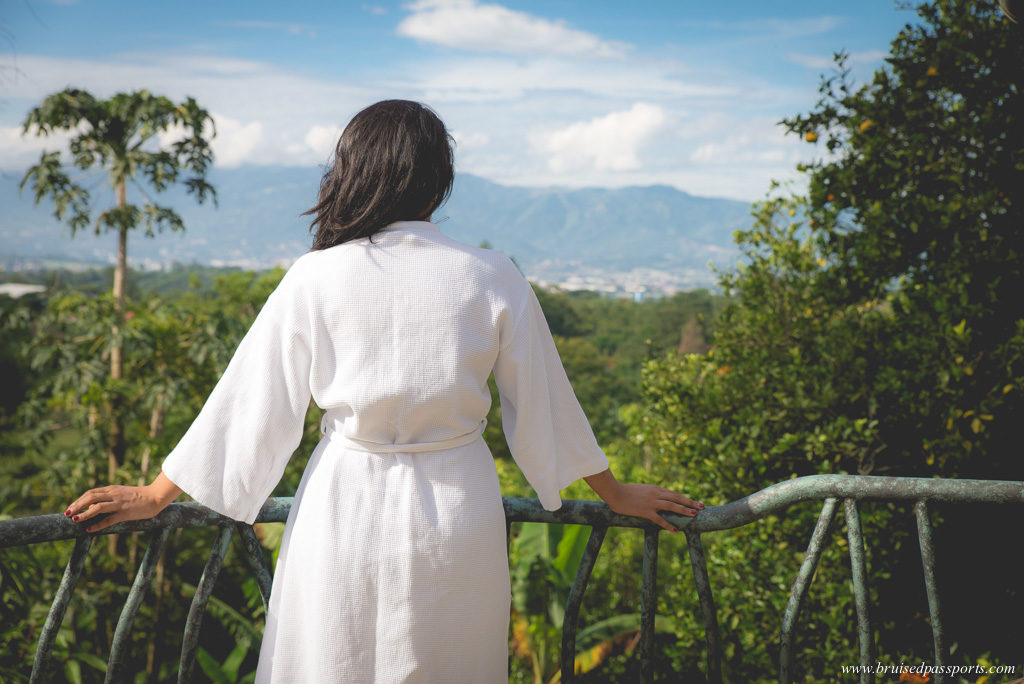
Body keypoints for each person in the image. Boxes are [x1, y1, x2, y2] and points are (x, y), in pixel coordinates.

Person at [62, 99, 703, 682]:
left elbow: (253, 401)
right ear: (438, 180)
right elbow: (545, 406)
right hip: (456, 512)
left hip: (340, 505)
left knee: (328, 657)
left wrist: (156, 494)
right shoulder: (492, 275)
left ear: (353, 172)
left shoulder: (317, 277)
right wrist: (613, 494)